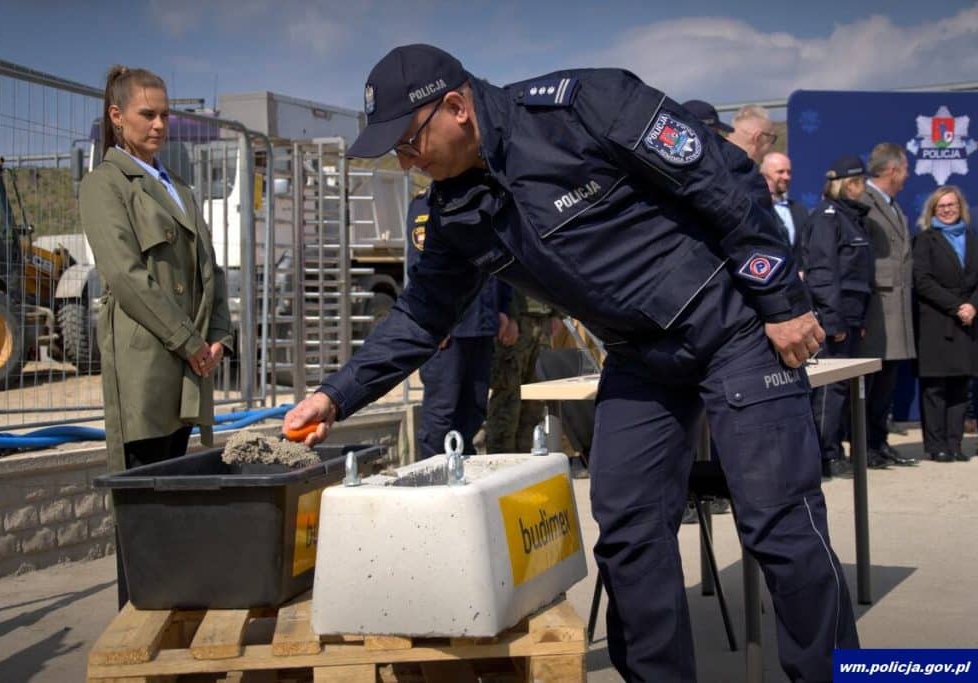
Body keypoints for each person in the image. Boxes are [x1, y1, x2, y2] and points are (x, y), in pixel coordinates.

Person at [284, 44, 857, 681]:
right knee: (629, 529)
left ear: (456, 108)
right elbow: (421, 314)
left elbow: (722, 179)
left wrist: (779, 297)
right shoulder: (456, 213)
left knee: (780, 525)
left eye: (410, 143)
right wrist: (335, 395)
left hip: (735, 329)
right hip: (641, 356)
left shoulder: (583, 107)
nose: (405, 161)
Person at [79, 65, 233, 607]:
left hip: (188, 369)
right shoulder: (105, 185)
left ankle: (173, 620)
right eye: (148, 114)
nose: (160, 124)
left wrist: (219, 336)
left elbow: (209, 271)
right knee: (146, 509)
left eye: (166, 113)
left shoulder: (178, 188)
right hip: (147, 368)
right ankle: (140, 621)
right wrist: (189, 340)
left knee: (177, 503)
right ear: (117, 117)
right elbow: (125, 275)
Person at [406, 188, 513, 458]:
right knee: (441, 414)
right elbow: (420, 266)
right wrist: (434, 321)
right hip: (449, 330)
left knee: (475, 408)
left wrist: (503, 310)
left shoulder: (486, 199)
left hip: (483, 324)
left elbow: (499, 261)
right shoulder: (428, 204)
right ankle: (434, 479)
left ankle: (463, 473)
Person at [802, 155, 877, 477]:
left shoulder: (851, 218)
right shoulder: (826, 217)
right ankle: (824, 455)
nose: (863, 188)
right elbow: (823, 273)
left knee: (841, 390)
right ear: (847, 184)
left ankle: (832, 448)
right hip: (834, 317)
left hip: (851, 316)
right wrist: (833, 320)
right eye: (859, 182)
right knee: (827, 391)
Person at [857, 143, 918, 466]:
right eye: (905, 169)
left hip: (898, 304)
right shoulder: (864, 202)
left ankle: (879, 442)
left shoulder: (892, 205)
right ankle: (865, 445)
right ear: (892, 170)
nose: (908, 176)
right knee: (873, 380)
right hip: (877, 305)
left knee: (888, 378)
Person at [912, 186, 977, 463]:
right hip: (937, 321)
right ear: (933, 211)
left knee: (960, 386)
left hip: (968, 322)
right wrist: (956, 306)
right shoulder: (926, 240)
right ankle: (936, 446)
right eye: (942, 206)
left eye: (951, 205)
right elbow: (923, 281)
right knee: (936, 387)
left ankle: (954, 443)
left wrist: (973, 305)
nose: (948, 210)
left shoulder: (972, 239)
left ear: (960, 207)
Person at [485, 291, 554, 453]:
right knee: (508, 396)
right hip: (517, 319)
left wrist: (557, 312)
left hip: (543, 317)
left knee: (535, 399)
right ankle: (501, 461)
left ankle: (526, 460)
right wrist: (510, 315)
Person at [761, 151, 809, 272]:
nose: (787, 177)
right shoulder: (756, 208)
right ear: (764, 175)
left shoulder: (800, 210)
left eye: (789, 172)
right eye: (780, 172)